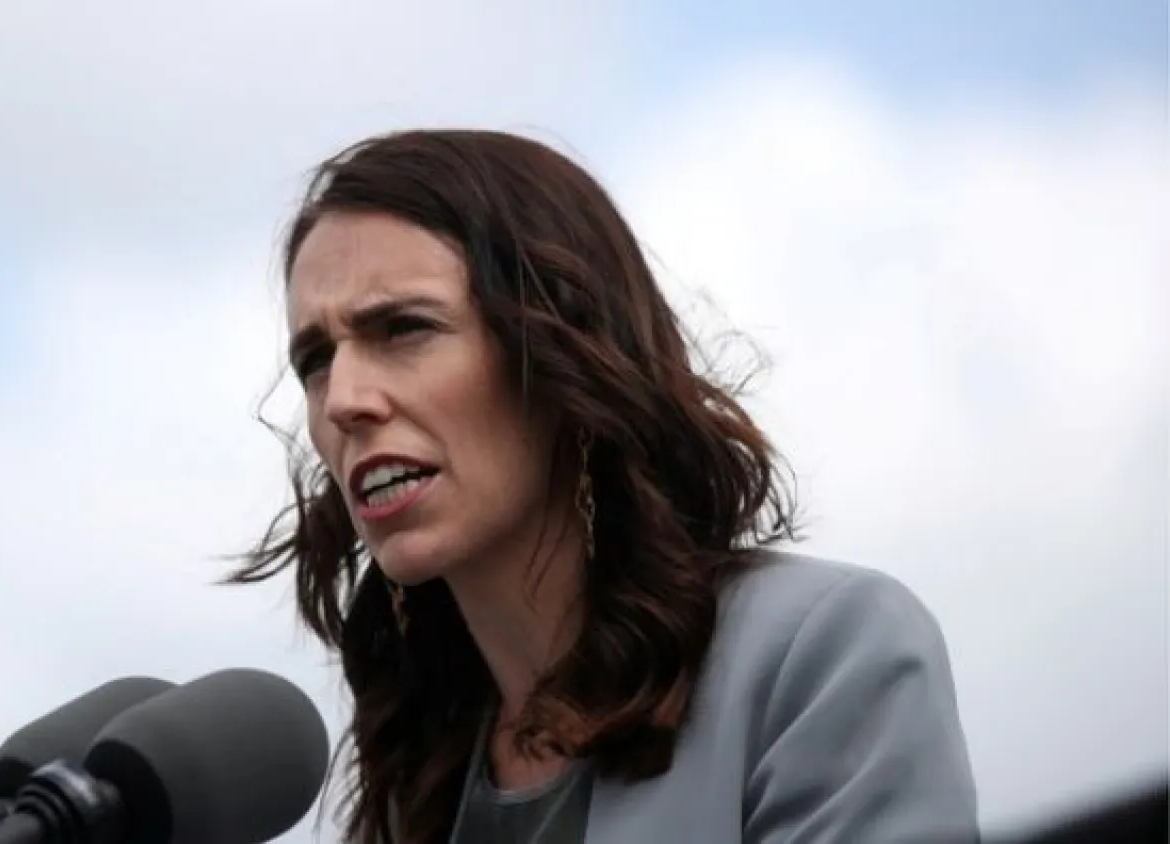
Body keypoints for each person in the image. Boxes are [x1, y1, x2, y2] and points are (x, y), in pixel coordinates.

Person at [229, 129, 978, 843]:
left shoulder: (820, 653)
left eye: (404, 329)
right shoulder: (415, 777)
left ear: (563, 349)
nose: (343, 399)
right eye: (316, 359)